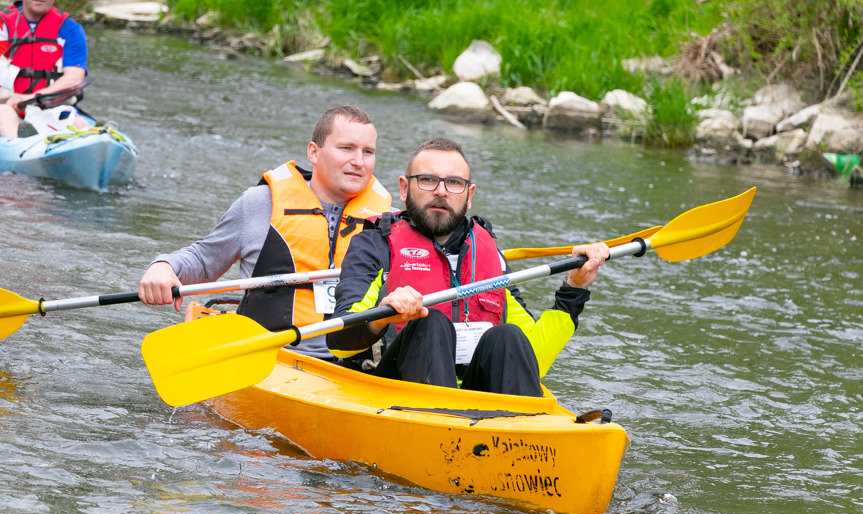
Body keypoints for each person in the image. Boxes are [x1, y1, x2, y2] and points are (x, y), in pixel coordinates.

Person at [327, 137, 609, 396]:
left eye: (454, 183)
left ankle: (520, 435)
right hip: (393, 391)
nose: (441, 192)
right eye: (427, 180)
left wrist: (575, 289)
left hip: (474, 401)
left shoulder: (488, 253)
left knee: (507, 336)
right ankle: (442, 425)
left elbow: (531, 356)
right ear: (404, 187)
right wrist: (383, 315)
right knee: (428, 321)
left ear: (469, 193)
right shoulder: (374, 244)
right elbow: (338, 340)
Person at [139, 105, 392, 360]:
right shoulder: (260, 203)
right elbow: (204, 260)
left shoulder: (389, 220)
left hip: (355, 365)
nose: (359, 162)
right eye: (346, 148)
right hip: (267, 357)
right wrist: (164, 266)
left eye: (368, 152)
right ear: (313, 152)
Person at [0, 0, 88, 138]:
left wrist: (32, 97)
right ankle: (25, 144)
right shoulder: (2, 26)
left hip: (50, 107)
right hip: (6, 107)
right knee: (3, 114)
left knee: (79, 123)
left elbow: (74, 78)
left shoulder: (70, 29)